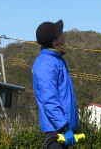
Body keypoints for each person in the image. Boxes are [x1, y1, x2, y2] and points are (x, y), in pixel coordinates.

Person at [32, 20, 78, 149]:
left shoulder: (56, 60)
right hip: (56, 132)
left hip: (62, 130)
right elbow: (49, 100)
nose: (63, 33)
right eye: (60, 32)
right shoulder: (45, 64)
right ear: (54, 41)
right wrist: (63, 128)